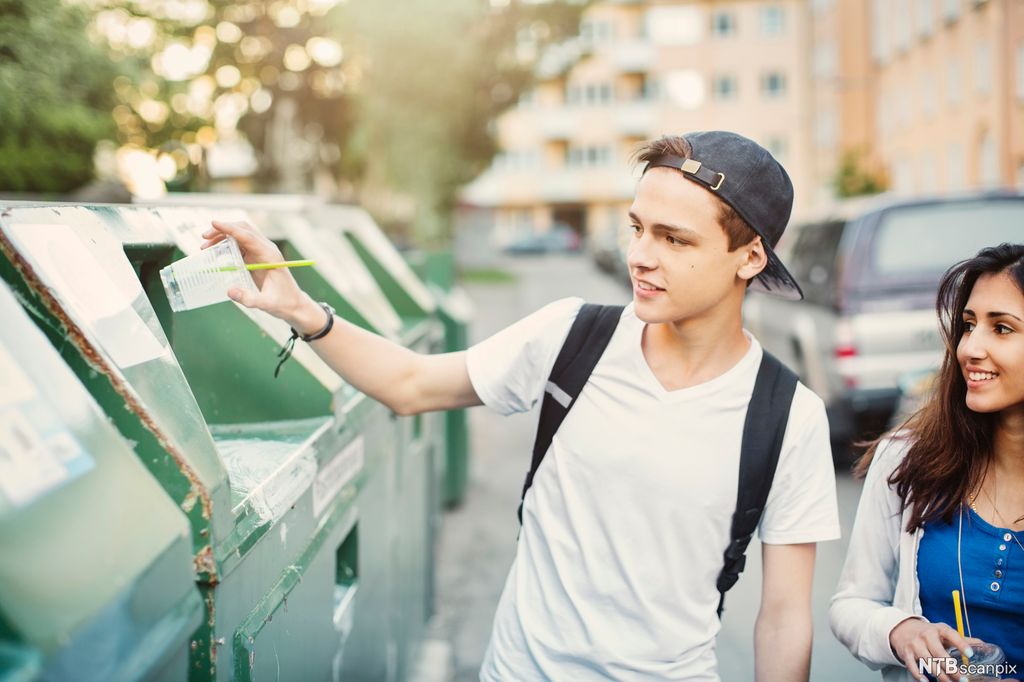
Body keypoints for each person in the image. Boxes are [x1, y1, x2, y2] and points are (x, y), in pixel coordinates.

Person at [202, 131, 840, 681]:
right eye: (638, 228)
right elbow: (411, 384)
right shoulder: (573, 337)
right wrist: (301, 311)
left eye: (675, 240)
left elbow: (784, 618)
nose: (641, 256)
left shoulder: (788, 416)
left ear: (750, 257)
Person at [830, 243, 1024, 682]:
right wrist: (900, 629)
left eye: (1003, 329)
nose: (970, 348)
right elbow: (850, 604)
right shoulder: (907, 459)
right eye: (969, 325)